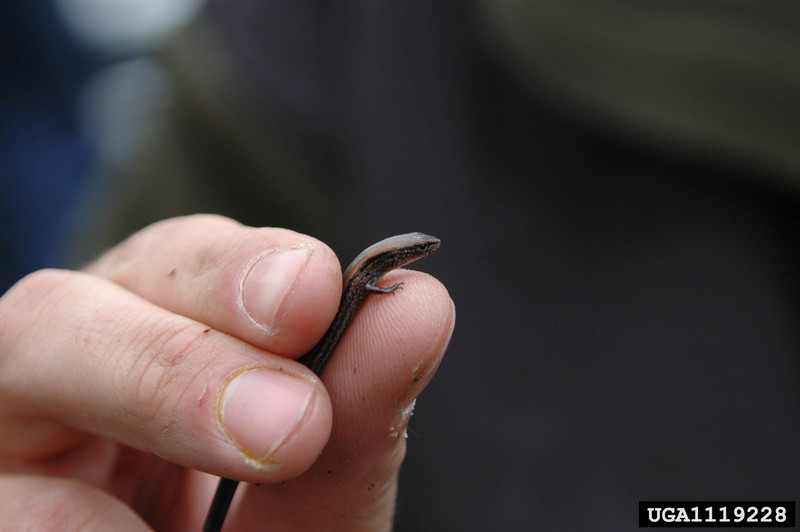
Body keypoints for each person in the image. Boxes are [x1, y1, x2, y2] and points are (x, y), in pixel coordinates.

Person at [0, 215, 455, 530]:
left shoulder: (369, 276)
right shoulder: (366, 275)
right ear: (403, 256)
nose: (425, 253)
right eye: (421, 250)